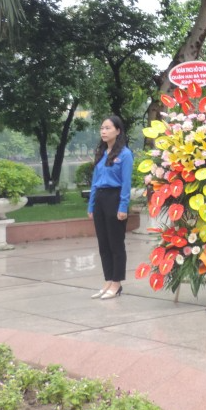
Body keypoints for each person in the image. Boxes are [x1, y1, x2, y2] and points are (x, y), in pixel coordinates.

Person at [87, 116, 134, 300]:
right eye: (101, 128)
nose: (103, 131)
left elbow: (126, 183)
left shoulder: (125, 154)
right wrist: (91, 205)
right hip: (100, 199)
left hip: (115, 199)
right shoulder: (101, 153)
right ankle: (107, 281)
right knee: (103, 244)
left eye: (107, 128)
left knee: (116, 243)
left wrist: (123, 206)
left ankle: (117, 282)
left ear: (118, 131)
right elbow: (94, 183)